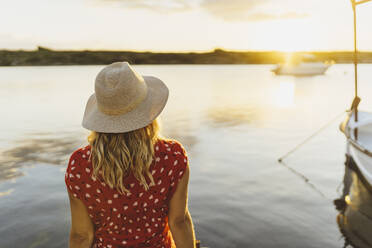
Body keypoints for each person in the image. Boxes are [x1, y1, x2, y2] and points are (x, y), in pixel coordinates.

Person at [64, 62, 196, 248]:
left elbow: (81, 235)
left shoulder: (80, 165)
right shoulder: (173, 157)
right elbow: (179, 222)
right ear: (149, 111)